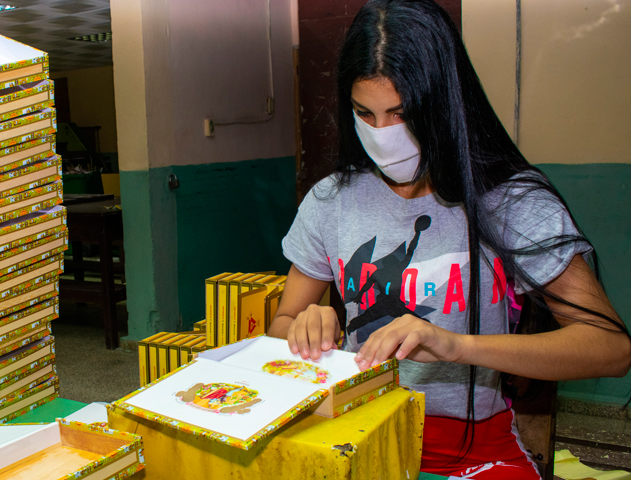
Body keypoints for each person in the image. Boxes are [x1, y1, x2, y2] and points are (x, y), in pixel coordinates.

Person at [266, 0, 631, 478]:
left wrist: (457, 346)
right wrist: (303, 325)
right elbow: (280, 327)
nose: (381, 135)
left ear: (445, 102)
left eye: (401, 113)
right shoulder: (332, 200)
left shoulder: (511, 202)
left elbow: (611, 348)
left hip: (470, 445)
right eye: (365, 113)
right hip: (353, 430)